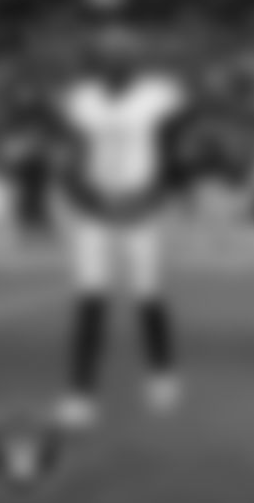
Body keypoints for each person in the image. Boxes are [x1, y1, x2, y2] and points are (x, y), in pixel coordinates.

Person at [51, 23, 191, 431]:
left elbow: (172, 155)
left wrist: (152, 196)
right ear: (96, 60)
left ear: (134, 59)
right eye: (107, 55)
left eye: (122, 54)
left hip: (142, 206)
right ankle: (80, 393)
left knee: (149, 294)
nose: (114, 61)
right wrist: (91, 200)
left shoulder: (160, 96)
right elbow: (71, 161)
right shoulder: (80, 100)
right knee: (90, 299)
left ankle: (162, 374)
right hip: (94, 210)